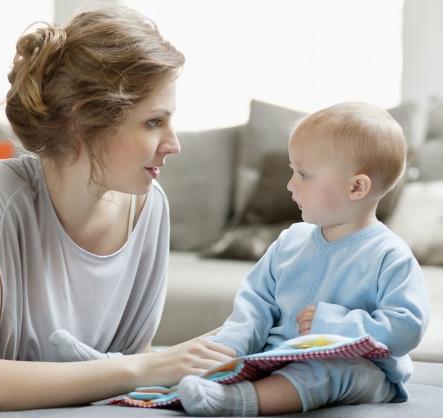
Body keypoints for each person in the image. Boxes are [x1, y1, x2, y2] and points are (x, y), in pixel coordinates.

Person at [0, 7, 234, 413]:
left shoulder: (150, 206)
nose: (173, 144)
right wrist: (148, 366)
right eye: (152, 122)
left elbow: (126, 365)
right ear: (83, 119)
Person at [177, 102, 430, 416]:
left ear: (356, 186)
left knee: (329, 371)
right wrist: (230, 346)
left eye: (303, 174)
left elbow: (406, 327)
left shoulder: (390, 255)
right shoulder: (290, 241)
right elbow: (255, 303)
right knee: (226, 361)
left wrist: (331, 324)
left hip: (361, 370)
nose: (290, 184)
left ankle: (239, 402)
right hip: (280, 356)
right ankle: (219, 384)